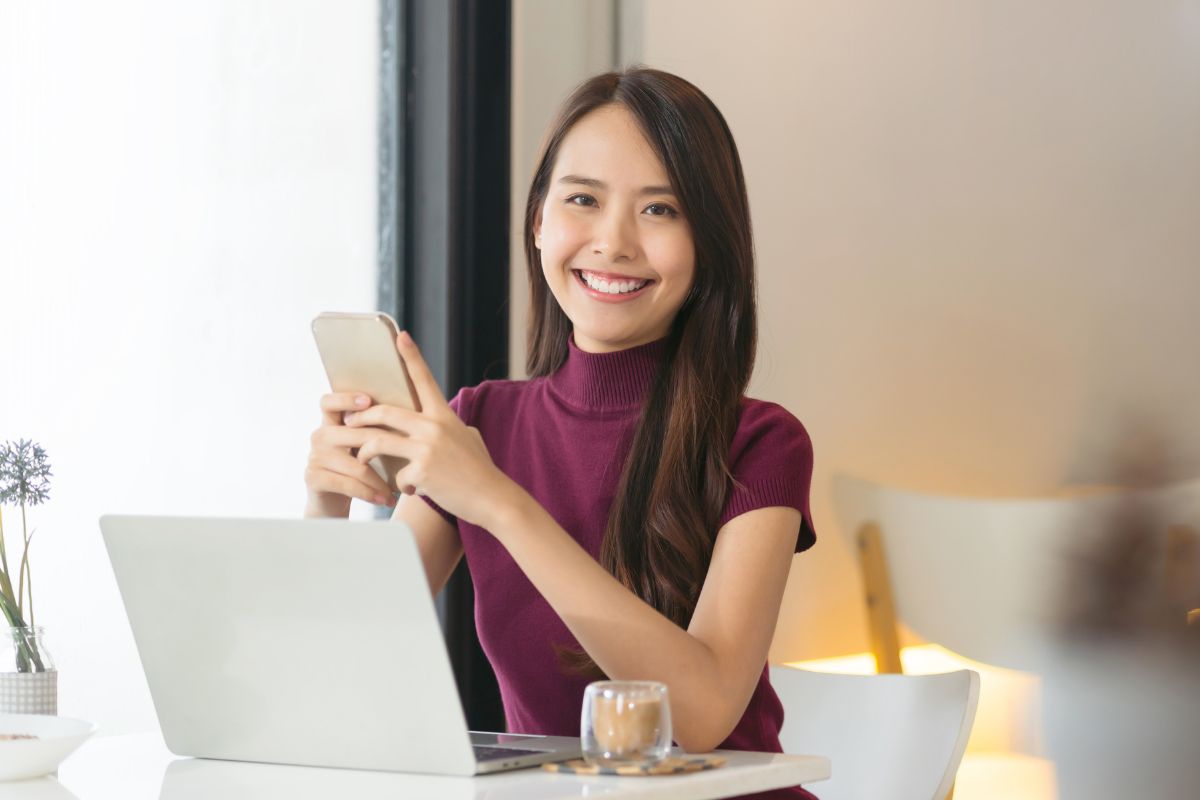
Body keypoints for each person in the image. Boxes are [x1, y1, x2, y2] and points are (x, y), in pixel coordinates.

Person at [304, 67, 818, 800]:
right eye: (583, 199)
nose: (613, 243)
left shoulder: (763, 443)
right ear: (540, 219)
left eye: (661, 210)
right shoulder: (480, 425)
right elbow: (333, 674)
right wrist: (327, 504)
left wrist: (498, 502)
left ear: (709, 244)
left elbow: (700, 712)